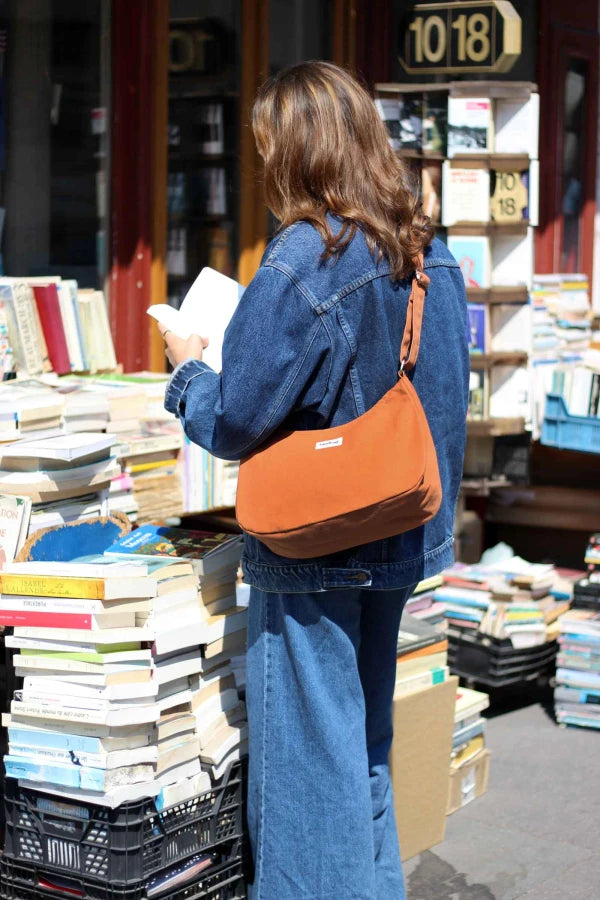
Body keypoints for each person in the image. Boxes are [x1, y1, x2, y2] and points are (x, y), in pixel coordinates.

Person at [159, 61, 468, 900]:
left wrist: (189, 372)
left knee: (306, 783)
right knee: (361, 751)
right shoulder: (426, 248)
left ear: (290, 153)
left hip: (318, 543)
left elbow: (235, 420)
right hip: (402, 530)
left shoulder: (305, 257)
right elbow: (442, 402)